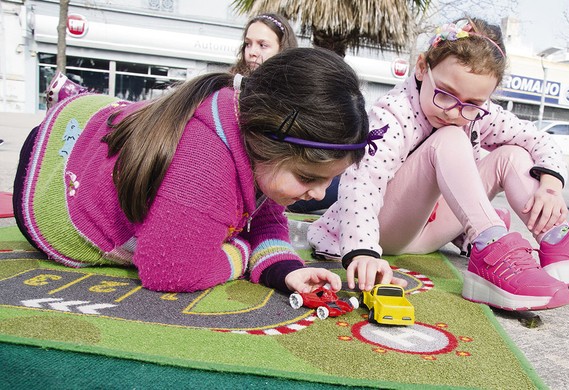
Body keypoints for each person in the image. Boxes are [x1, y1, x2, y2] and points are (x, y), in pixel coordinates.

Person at [308, 18, 569, 311]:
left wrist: (550, 186)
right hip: (381, 232)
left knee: (512, 154)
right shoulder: (395, 113)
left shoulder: (478, 113)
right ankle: (491, 250)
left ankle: (557, 242)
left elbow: (539, 140)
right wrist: (363, 251)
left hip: (427, 233)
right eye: (444, 92)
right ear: (421, 67)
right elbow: (362, 181)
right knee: (450, 137)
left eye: (472, 103)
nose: (454, 110)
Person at [13, 48, 378, 295]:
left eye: (331, 179)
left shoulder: (255, 144)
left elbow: (266, 219)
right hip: (54, 179)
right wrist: (241, 249)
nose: (319, 194)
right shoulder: (204, 167)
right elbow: (171, 271)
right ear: (265, 143)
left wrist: (285, 269)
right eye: (309, 178)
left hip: (99, 125)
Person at [229, 13, 297, 77]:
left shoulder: (298, 87)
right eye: (248, 44)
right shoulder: (228, 87)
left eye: (262, 45)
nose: (252, 52)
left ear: (283, 50)